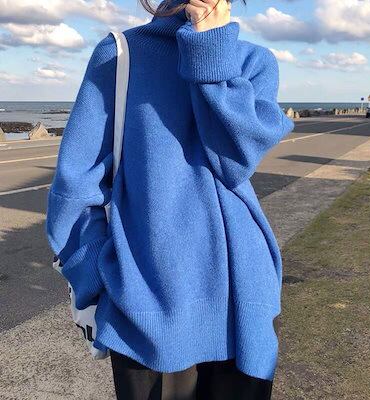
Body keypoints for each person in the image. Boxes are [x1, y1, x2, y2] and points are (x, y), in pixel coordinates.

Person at [45, 0, 295, 398]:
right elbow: (75, 188)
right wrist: (102, 278)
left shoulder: (253, 61)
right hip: (146, 305)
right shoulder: (120, 55)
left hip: (247, 298)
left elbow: (235, 161)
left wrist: (210, 49)